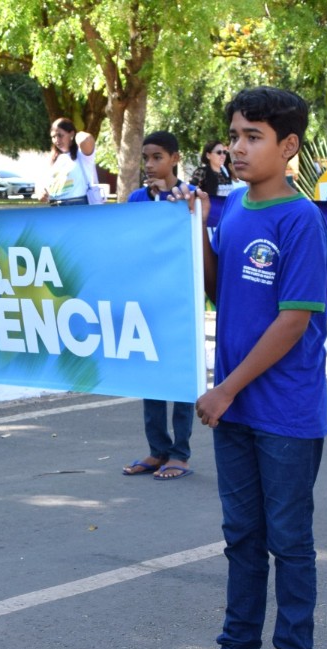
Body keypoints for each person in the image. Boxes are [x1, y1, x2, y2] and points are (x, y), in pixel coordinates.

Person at [169, 87, 327, 649]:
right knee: (242, 537)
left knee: (289, 541)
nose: (237, 147)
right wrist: (196, 230)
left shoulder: (301, 219)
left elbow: (293, 321)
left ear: (288, 147)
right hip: (230, 407)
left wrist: (228, 387)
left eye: (253, 136)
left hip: (282, 410)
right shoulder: (233, 208)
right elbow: (216, 287)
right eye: (234, 135)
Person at [121, 131, 196, 481]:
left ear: (175, 158)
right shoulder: (138, 198)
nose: (150, 165)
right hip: (145, 299)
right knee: (151, 377)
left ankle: (180, 453)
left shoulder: (189, 197)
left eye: (157, 158)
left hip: (180, 300)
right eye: (146, 158)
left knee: (180, 378)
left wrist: (177, 204)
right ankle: (157, 450)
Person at [41, 118, 97, 206]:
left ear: (71, 134)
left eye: (60, 135)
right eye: (53, 137)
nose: (56, 140)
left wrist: (77, 135)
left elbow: (86, 139)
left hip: (78, 205)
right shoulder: (54, 158)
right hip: (55, 206)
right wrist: (41, 193)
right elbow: (42, 182)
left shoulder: (82, 155)